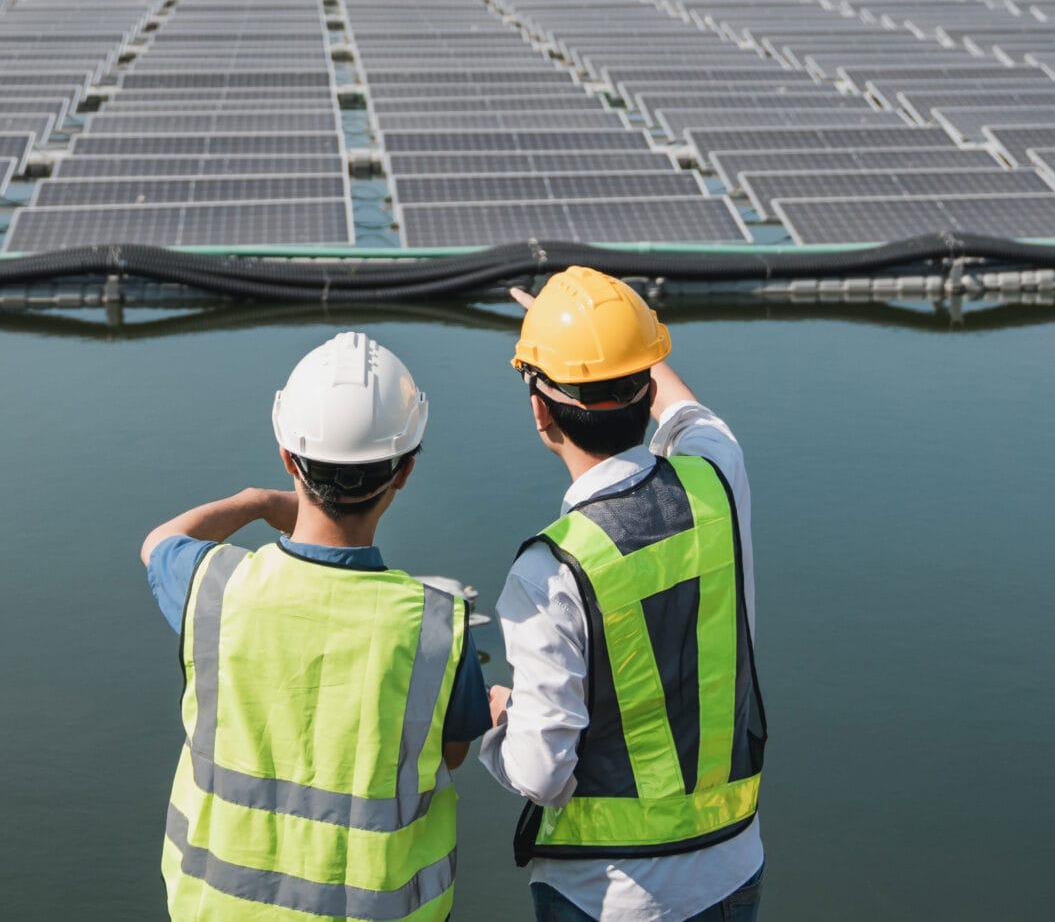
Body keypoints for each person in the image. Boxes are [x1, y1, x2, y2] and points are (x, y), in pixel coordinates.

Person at [141, 331, 494, 921]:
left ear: (288, 459)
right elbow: (448, 753)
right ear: (404, 472)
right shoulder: (438, 625)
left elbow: (159, 545)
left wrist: (257, 502)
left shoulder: (217, 589)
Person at [477, 268, 767, 922]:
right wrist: (607, 335)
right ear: (644, 381)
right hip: (734, 865)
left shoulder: (547, 571)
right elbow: (688, 408)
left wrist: (501, 714)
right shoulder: (719, 476)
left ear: (538, 408)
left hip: (612, 897)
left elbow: (542, 771)